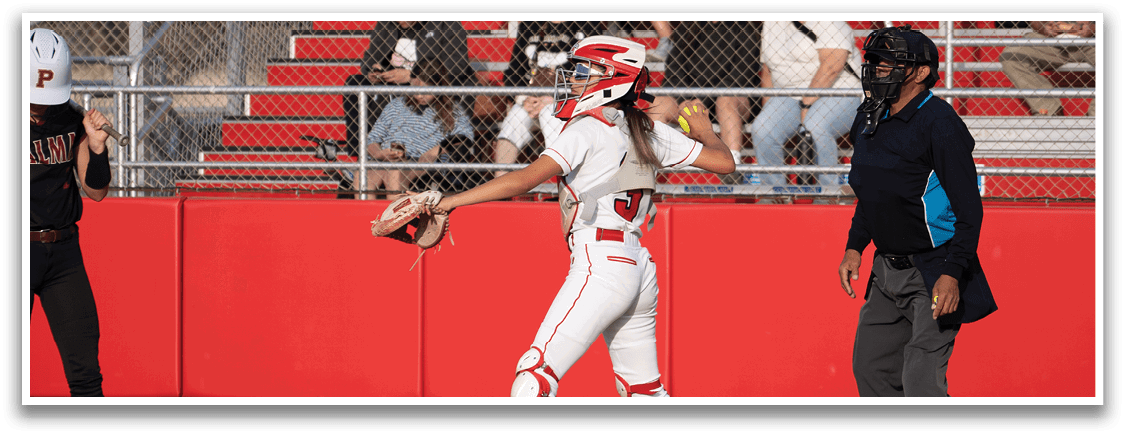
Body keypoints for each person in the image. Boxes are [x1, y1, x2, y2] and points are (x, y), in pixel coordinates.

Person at [430, 36, 735, 396]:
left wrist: (450, 201)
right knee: (643, 392)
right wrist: (704, 132)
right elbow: (725, 163)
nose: (572, 78)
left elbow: (525, 178)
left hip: (601, 260)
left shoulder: (587, 128)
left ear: (611, 79)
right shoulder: (648, 129)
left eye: (581, 71)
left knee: (535, 375)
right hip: (638, 263)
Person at [838, 25, 998, 396]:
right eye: (873, 60)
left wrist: (953, 274)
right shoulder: (868, 115)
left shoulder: (940, 124)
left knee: (921, 379)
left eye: (888, 61)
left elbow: (970, 211)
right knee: (871, 370)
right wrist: (854, 246)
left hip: (933, 270)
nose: (876, 68)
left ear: (920, 72)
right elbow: (872, 191)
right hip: (885, 270)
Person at [30, 28, 112, 397]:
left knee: (86, 377)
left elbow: (96, 191)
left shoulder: (68, 117)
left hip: (63, 253)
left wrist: (97, 148)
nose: (40, 107)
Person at [750, 21, 863, 192]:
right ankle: (774, 192)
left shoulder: (830, 20)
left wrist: (806, 104)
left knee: (816, 125)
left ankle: (828, 192)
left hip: (841, 90)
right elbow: (767, 70)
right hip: (789, 93)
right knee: (762, 127)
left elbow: (832, 66)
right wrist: (769, 108)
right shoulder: (772, 22)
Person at [344, 21, 474, 163]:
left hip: (426, 86)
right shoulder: (387, 23)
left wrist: (411, 76)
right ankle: (361, 157)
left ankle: (402, 157)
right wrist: (374, 70)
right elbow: (370, 58)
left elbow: (457, 66)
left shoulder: (446, 24)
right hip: (390, 85)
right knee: (354, 82)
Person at [647, 21, 760, 181]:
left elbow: (739, 76)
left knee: (726, 100)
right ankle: (650, 164)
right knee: (659, 102)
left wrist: (703, 99)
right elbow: (673, 71)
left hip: (731, 100)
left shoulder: (744, 29)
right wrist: (683, 100)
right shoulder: (689, 27)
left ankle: (732, 166)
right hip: (690, 100)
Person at [492, 21, 597, 178]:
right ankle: (499, 183)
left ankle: (562, 182)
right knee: (514, 118)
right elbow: (513, 72)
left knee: (549, 113)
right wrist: (524, 99)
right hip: (532, 99)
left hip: (569, 100)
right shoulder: (530, 24)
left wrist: (556, 97)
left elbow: (594, 71)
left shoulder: (586, 23)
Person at [361, 58, 474, 197]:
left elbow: (464, 140)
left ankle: (396, 216)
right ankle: (365, 216)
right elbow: (372, 138)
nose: (419, 95)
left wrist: (435, 151)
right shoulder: (396, 105)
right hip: (387, 159)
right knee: (363, 175)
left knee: (395, 172)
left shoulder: (453, 111)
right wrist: (380, 153)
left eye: (425, 90)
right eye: (415, 88)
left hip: (424, 163)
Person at [998, 21, 1096, 116]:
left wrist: (1093, 28)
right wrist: (1044, 28)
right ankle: (1050, 111)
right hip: (1051, 41)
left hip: (1092, 42)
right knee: (1011, 57)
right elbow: (1034, 20)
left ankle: (1095, 118)